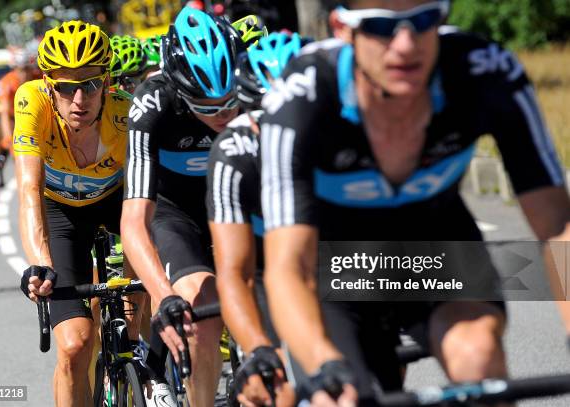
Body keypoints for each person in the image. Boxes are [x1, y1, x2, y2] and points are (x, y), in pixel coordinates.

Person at [259, 0, 570, 405]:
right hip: (337, 268)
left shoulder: (485, 72)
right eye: (381, 27)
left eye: (422, 22)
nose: (405, 45)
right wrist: (321, 365)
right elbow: (288, 267)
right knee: (342, 393)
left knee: (477, 357)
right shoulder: (301, 96)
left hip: (434, 250)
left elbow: (557, 224)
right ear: (342, 28)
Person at [14, 21, 145, 406]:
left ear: (107, 81)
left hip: (116, 201)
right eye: (66, 86)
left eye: (89, 84)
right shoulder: (31, 100)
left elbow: (145, 205)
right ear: (48, 85)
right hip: (60, 212)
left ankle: (135, 365)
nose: (79, 100)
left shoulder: (125, 114)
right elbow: (29, 189)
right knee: (74, 346)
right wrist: (39, 265)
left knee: (131, 325)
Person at [121, 6, 242, 407]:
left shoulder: (256, 88)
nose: (223, 113)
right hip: (178, 214)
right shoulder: (152, 102)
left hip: (238, 205)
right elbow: (135, 221)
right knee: (199, 317)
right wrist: (164, 296)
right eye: (206, 107)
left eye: (230, 101)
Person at [206, 32, 309, 407]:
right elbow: (236, 274)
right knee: (275, 389)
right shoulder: (234, 152)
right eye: (272, 118)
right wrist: (258, 349)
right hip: (265, 267)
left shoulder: (349, 135)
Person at [0, 49, 40, 154]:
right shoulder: (7, 81)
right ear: (15, 69)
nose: (25, 75)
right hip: (14, 118)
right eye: (21, 70)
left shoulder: (39, 77)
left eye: (27, 69)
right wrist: (8, 136)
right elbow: (5, 113)